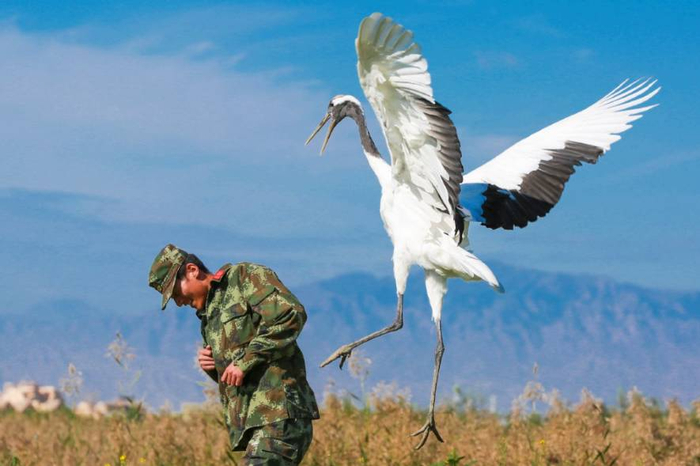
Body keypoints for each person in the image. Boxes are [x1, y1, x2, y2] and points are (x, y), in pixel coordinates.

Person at [148, 244, 319, 465]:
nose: (179, 302)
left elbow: (289, 315)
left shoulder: (244, 277)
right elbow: (237, 377)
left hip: (280, 415)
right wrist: (213, 368)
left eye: (175, 292)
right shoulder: (208, 318)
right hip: (257, 423)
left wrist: (244, 362)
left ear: (192, 270)